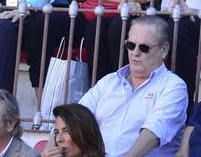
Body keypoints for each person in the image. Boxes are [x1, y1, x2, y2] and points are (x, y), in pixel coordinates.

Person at [78, 15, 188, 156]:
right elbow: (75, 119)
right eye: (130, 45)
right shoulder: (108, 82)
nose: (135, 53)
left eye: (144, 47)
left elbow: (153, 132)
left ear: (164, 50)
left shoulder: (173, 86)